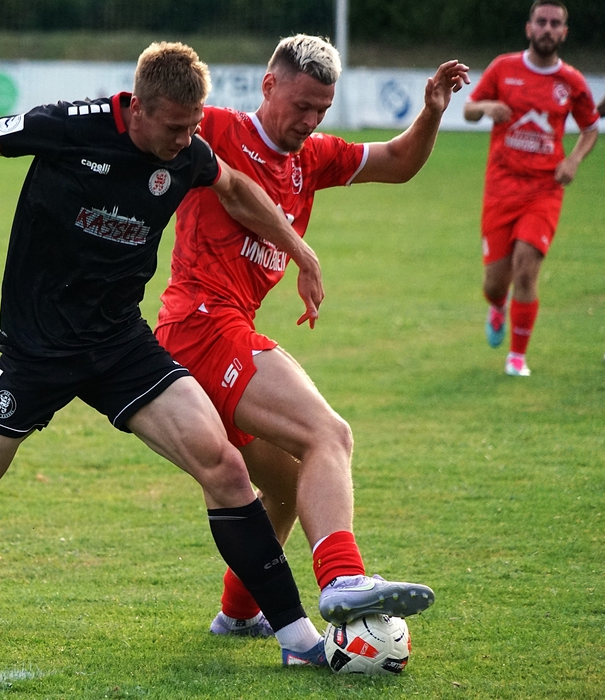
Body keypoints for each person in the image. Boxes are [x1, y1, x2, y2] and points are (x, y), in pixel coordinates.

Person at [0, 42, 367, 667]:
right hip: (37, 351)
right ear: (138, 108)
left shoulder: (186, 152)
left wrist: (301, 252)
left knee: (225, 467)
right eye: (174, 127)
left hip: (119, 344)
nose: (185, 140)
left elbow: (236, 188)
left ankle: (298, 640)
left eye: (194, 126)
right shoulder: (72, 126)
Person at [153, 34, 465, 643]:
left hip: (216, 332)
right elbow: (147, 120)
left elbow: (398, 162)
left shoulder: (312, 158)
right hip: (201, 324)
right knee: (329, 434)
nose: (310, 121)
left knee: (292, 482)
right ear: (268, 85)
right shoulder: (216, 129)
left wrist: (430, 112)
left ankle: (238, 612)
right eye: (301, 106)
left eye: (322, 109)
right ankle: (343, 578)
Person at [465, 0, 598, 376]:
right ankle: (498, 306)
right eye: (541, 21)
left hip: (544, 190)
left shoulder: (571, 81)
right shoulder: (503, 68)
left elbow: (590, 128)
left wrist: (573, 160)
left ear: (564, 33)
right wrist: (487, 108)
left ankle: (517, 358)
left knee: (526, 269)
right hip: (500, 189)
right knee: (495, 283)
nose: (547, 29)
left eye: (555, 23)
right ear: (529, 28)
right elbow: (468, 110)